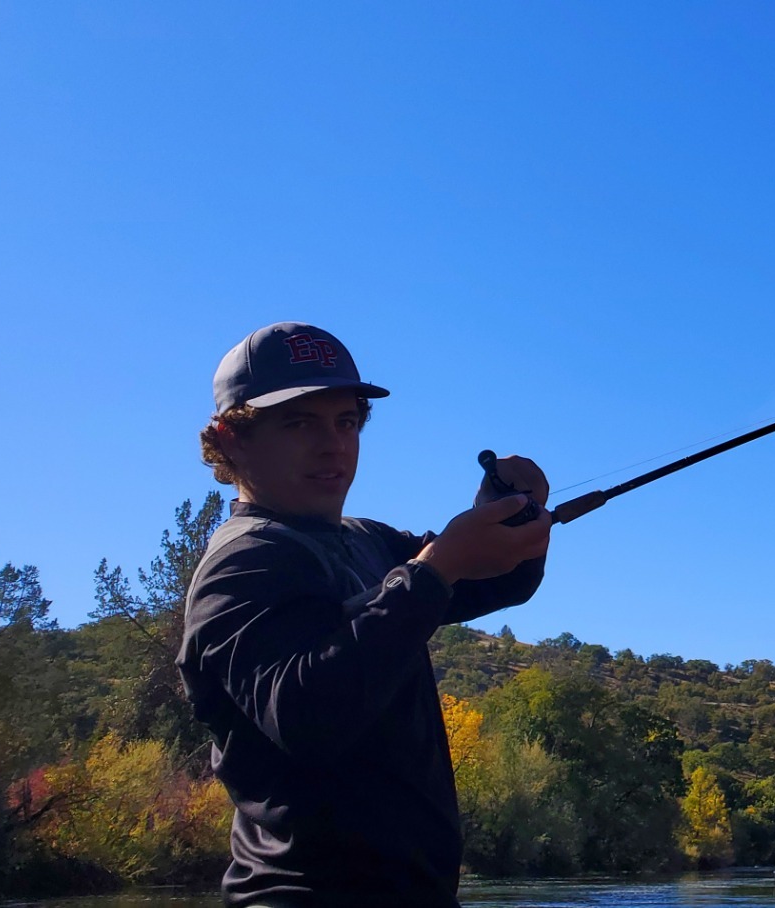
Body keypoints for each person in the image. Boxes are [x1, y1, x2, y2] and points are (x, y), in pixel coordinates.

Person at [176, 322, 553, 907]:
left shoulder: (369, 542)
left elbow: (499, 578)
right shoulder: (241, 565)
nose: (333, 445)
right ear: (230, 440)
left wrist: (509, 515)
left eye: (346, 422)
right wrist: (430, 573)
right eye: (300, 423)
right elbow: (306, 718)